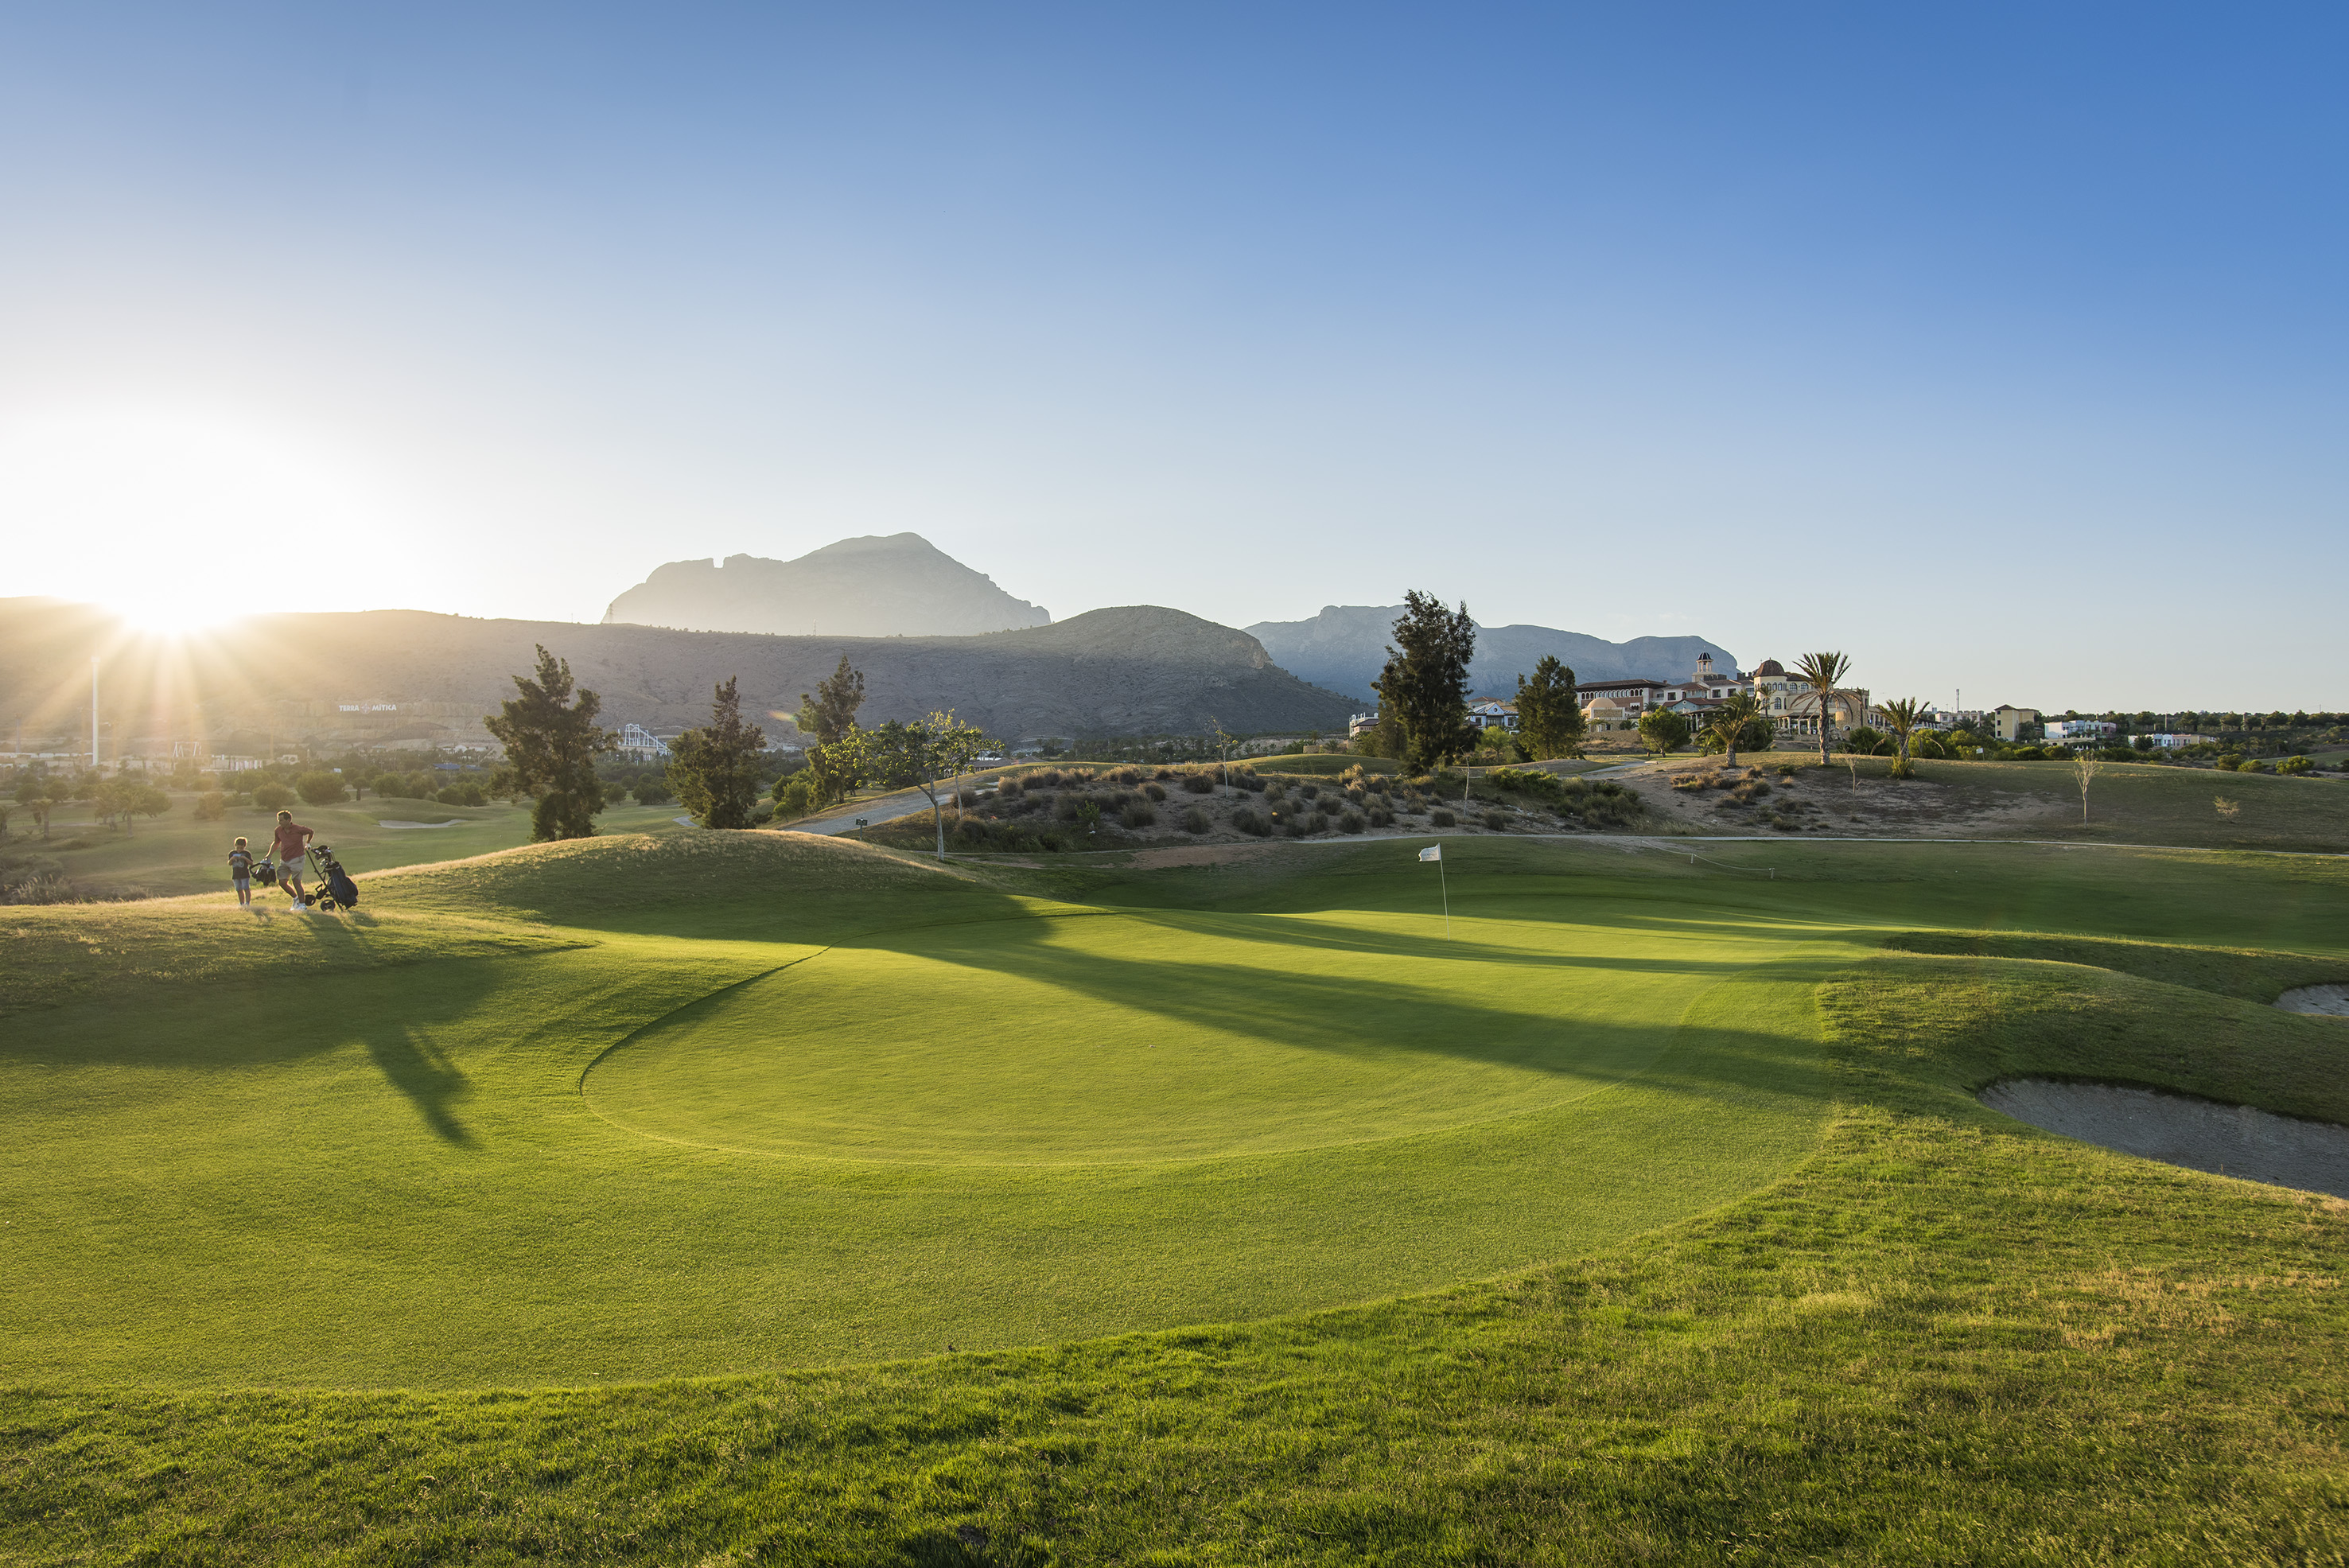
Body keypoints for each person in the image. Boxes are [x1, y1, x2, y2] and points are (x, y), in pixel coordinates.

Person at [270, 810, 314, 903]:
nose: (279, 822)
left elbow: (310, 831)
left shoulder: (298, 829)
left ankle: (302, 905)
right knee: (282, 882)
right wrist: (269, 855)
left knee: (296, 881)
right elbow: (276, 843)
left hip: (297, 858)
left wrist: (308, 843)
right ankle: (296, 898)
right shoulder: (278, 830)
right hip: (284, 860)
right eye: (278, 820)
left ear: (288, 820)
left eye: (281, 820)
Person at [228, 836, 255, 909]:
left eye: (241, 848)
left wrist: (244, 858)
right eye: (238, 848)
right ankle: (241, 903)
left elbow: (251, 863)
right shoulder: (232, 853)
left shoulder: (247, 853)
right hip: (236, 875)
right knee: (239, 889)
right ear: (235, 846)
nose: (239, 850)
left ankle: (247, 903)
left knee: (246, 888)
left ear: (244, 846)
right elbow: (229, 863)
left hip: (244, 874)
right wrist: (232, 859)